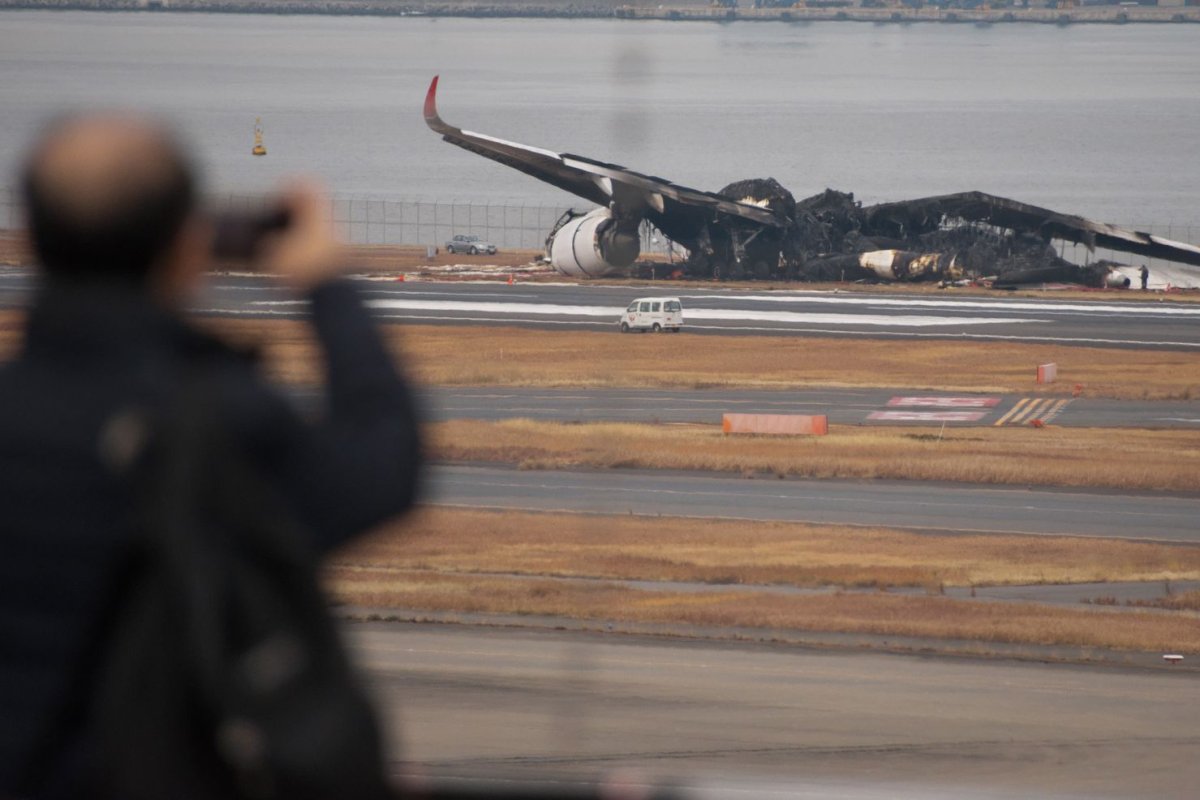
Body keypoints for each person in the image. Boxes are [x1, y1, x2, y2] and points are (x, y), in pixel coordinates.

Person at [0, 114, 421, 797]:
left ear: (36, 244)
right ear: (185, 247)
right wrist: (328, 287)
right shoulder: (218, 424)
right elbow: (382, 467)